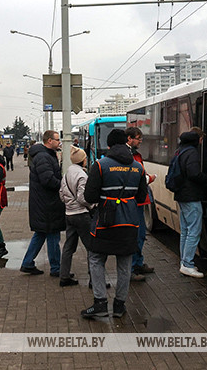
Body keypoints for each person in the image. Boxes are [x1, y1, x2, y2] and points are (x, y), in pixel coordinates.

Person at [81, 129, 148, 318]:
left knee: (96, 259)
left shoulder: (100, 165)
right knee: (125, 264)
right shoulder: (138, 167)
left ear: (109, 145)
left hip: (105, 222)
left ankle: (100, 303)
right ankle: (119, 306)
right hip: (129, 223)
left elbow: (89, 196)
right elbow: (142, 197)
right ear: (125, 143)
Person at [20, 130, 64, 276]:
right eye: (57, 140)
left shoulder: (44, 155)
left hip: (43, 202)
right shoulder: (44, 157)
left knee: (41, 233)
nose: (59, 142)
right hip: (47, 203)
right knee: (52, 234)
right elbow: (48, 180)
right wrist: (63, 185)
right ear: (49, 141)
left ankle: (27, 263)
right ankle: (56, 268)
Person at [174, 130, 207, 278]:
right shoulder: (192, 153)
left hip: (181, 195)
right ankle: (187, 264)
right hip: (191, 196)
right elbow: (194, 173)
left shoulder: (180, 151)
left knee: (185, 231)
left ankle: (184, 262)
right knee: (194, 231)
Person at [125, 127, 156, 280]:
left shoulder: (136, 155)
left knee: (141, 235)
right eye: (138, 138)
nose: (140, 141)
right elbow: (134, 177)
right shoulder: (128, 156)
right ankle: (132, 269)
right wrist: (149, 179)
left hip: (140, 199)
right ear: (129, 139)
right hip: (134, 201)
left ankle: (138, 263)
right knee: (136, 235)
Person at [58, 145, 91, 287]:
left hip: (69, 214)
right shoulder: (82, 175)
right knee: (92, 248)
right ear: (82, 160)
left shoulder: (66, 174)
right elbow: (82, 198)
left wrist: (69, 204)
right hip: (81, 215)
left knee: (68, 247)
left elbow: (61, 194)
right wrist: (93, 205)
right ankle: (95, 280)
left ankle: (64, 276)